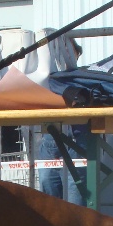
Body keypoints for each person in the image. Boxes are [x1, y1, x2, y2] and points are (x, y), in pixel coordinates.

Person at [37, 40, 88, 207]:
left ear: (77, 54)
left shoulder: (84, 77)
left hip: (76, 139)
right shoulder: (46, 77)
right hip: (50, 138)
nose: (62, 53)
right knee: (47, 185)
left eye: (67, 49)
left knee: (76, 192)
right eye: (58, 49)